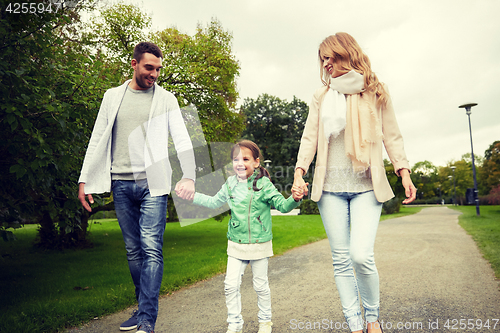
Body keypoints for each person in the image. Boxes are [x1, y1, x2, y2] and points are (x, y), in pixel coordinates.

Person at [292, 33, 416, 333]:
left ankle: (373, 317)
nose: (327, 63)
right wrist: (299, 171)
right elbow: (310, 137)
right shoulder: (322, 96)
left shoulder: (375, 91)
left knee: (360, 255)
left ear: (348, 55)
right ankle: (355, 324)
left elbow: (392, 134)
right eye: (323, 59)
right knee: (341, 261)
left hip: (366, 187)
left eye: (331, 57)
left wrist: (403, 170)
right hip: (330, 190)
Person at [78, 42, 196, 333]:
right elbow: (97, 138)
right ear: (133, 64)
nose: (154, 74)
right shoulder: (112, 97)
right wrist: (84, 179)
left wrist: (189, 175)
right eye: (149, 68)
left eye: (158, 69)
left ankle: (146, 320)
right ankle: (142, 306)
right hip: (120, 183)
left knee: (152, 249)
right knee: (134, 252)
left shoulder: (166, 99)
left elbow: (181, 139)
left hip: (152, 185)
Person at [188, 140, 304, 333]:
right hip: (236, 243)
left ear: (256, 162)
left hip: (259, 243)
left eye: (245, 159)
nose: (240, 163)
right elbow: (214, 202)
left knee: (260, 287)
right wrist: (193, 195)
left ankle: (265, 322)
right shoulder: (230, 184)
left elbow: (283, 206)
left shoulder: (264, 184)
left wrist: (295, 198)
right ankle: (234, 324)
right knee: (230, 286)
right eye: (235, 159)